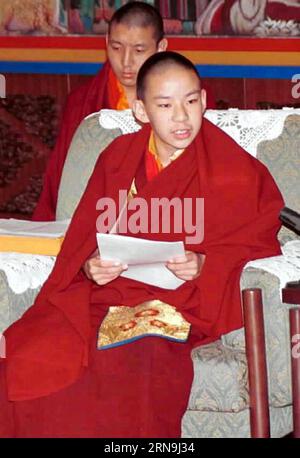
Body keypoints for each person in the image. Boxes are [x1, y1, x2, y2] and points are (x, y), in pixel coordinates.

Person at [0, 52, 283, 438]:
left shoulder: (234, 169)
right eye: (165, 105)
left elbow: (260, 236)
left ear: (204, 99)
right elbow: (83, 237)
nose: (181, 117)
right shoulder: (116, 158)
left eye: (190, 101)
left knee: (134, 361)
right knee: (35, 353)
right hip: (105, 296)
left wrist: (205, 263)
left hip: (178, 303)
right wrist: (90, 265)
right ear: (141, 110)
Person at [32, 1, 168, 222]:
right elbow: (61, 183)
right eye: (116, 48)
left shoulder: (186, 99)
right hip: (95, 220)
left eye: (139, 50)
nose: (126, 61)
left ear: (161, 48)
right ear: (106, 43)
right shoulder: (82, 102)